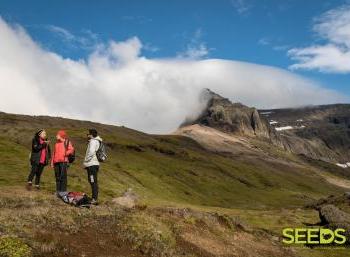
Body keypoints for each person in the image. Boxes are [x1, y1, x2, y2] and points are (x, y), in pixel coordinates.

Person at [51, 130, 74, 195]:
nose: (56, 136)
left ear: (61, 135)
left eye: (57, 135)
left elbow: (71, 149)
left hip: (63, 161)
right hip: (56, 162)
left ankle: (63, 192)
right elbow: (54, 153)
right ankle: (58, 191)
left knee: (63, 177)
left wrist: (65, 153)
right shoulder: (56, 143)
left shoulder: (67, 142)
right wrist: (52, 162)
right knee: (57, 176)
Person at [83, 129, 102, 205]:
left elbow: (91, 152)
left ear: (91, 135)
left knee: (93, 181)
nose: (87, 135)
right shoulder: (96, 141)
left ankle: (94, 199)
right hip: (94, 164)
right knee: (93, 181)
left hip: (92, 164)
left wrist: (86, 161)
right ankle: (94, 198)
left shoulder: (93, 141)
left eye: (88, 134)